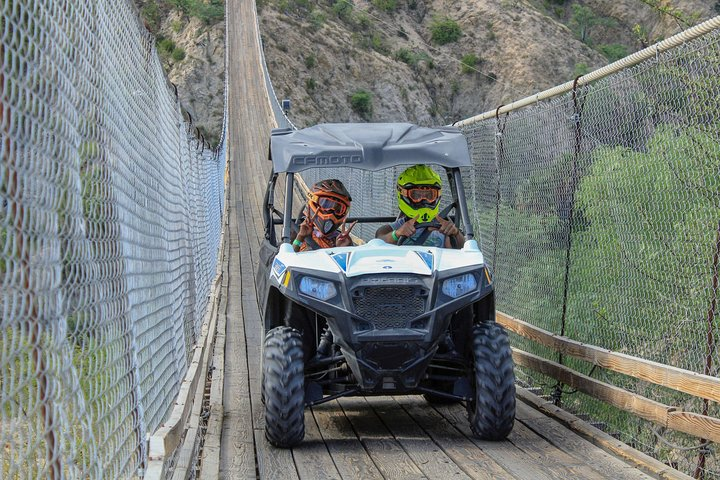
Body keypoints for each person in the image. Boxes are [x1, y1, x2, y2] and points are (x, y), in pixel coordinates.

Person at [375, 165, 464, 248]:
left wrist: (455, 233)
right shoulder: (394, 228)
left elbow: (462, 249)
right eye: (417, 195)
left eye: (429, 195)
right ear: (403, 195)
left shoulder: (444, 228)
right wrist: (397, 234)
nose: (424, 200)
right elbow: (378, 241)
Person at [292, 178, 356, 252]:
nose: (331, 213)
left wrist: (345, 249)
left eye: (339, 209)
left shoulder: (340, 239)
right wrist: (300, 237)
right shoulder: (295, 231)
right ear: (313, 202)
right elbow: (287, 258)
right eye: (326, 204)